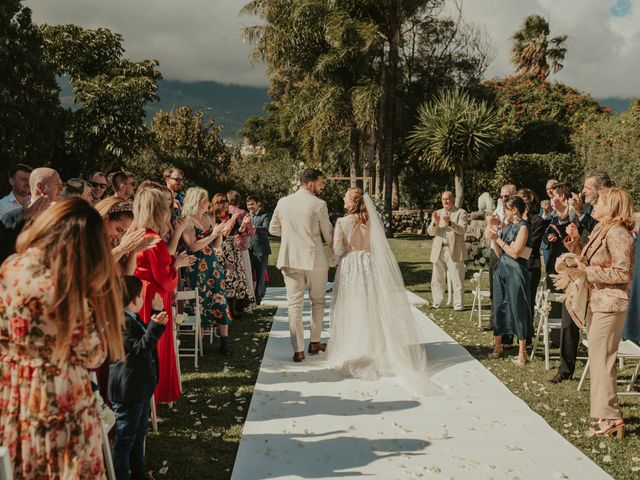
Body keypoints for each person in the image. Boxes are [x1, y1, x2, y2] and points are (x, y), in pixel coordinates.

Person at [0, 199, 125, 479]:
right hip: (58, 400)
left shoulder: (11, 267)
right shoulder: (65, 293)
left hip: (14, 391)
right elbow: (93, 353)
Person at [328, 188, 428, 387]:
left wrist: (330, 261)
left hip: (352, 265)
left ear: (352, 202)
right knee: (373, 304)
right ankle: (378, 348)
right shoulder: (372, 220)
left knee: (353, 305)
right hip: (370, 263)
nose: (343, 199)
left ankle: (356, 348)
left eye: (346, 197)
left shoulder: (342, 222)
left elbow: (337, 251)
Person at [563, 187, 634, 438]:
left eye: (600, 201)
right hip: (597, 301)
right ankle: (605, 415)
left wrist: (587, 272)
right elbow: (591, 260)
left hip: (611, 303)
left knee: (603, 360)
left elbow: (624, 273)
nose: (594, 204)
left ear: (612, 206)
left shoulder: (618, 233)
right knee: (598, 359)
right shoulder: (600, 228)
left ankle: (611, 417)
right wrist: (576, 245)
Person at [549, 171, 613, 385]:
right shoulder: (584, 209)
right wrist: (573, 241)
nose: (583, 191)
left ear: (600, 189)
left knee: (596, 328)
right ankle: (565, 369)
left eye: (587, 188)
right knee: (569, 320)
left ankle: (601, 372)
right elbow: (582, 238)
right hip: (580, 273)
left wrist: (580, 215)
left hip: (600, 277)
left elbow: (601, 234)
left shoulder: (608, 210)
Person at [132, 188, 194, 404]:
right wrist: (176, 265)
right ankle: (156, 395)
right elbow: (166, 278)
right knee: (156, 346)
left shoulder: (139, 234)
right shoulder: (155, 240)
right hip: (155, 298)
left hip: (139, 294)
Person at [269, 168, 334, 362]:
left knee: (294, 305)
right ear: (311, 183)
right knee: (318, 302)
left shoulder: (283, 202)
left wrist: (291, 234)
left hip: (290, 258)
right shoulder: (319, 204)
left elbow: (273, 228)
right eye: (321, 182)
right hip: (314, 259)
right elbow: (328, 234)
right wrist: (339, 251)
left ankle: (298, 351)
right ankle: (314, 342)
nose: (323, 186)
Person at [110, 276, 168, 480]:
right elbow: (139, 348)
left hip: (140, 388)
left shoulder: (131, 318)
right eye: (141, 296)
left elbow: (143, 339)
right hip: (128, 391)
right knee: (125, 440)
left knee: (138, 436)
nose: (142, 299)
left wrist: (155, 315)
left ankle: (139, 474)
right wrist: (155, 325)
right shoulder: (120, 321)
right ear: (133, 299)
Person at [181, 187, 233, 355]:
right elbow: (193, 246)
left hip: (213, 264)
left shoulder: (209, 217)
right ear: (196, 201)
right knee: (200, 301)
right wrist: (213, 234)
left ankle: (225, 342)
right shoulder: (187, 221)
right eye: (205, 199)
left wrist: (220, 233)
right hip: (196, 266)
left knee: (220, 298)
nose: (208, 202)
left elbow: (216, 246)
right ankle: (200, 342)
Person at [486, 196, 532, 366]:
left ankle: (522, 351)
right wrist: (494, 238)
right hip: (501, 271)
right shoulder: (507, 228)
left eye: (506, 208)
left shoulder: (523, 227)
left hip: (516, 272)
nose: (503, 211)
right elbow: (500, 254)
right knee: (499, 307)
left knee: (517, 308)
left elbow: (516, 252)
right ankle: (497, 346)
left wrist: (497, 239)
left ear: (514, 210)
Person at [211, 193, 255, 318]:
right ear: (215, 203)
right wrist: (233, 219)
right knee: (225, 277)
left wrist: (243, 224)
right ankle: (223, 308)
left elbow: (238, 232)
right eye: (221, 202)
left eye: (226, 201)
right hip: (221, 249)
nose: (225, 204)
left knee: (236, 277)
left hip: (232, 249)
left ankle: (234, 308)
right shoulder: (214, 217)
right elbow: (224, 233)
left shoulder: (231, 216)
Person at [486, 184, 517, 346]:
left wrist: (500, 226)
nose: (504, 199)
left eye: (507, 196)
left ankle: (508, 333)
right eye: (502, 196)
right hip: (495, 252)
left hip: (510, 255)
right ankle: (495, 322)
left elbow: (514, 231)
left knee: (508, 295)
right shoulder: (497, 211)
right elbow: (489, 232)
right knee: (495, 291)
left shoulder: (516, 213)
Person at [518, 188, 550, 347]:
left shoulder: (537, 221)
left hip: (530, 266)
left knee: (527, 302)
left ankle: (527, 338)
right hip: (514, 264)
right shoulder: (512, 220)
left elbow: (532, 244)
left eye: (522, 201)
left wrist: (514, 250)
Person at [428, 191, 468, 311]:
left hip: (454, 249)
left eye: (447, 199)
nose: (445, 201)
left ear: (453, 199)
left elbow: (462, 230)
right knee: (437, 278)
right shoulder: (438, 213)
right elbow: (430, 232)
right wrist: (435, 222)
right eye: (443, 199)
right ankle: (437, 302)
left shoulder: (461, 213)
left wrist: (450, 223)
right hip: (438, 249)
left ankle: (458, 305)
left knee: (457, 278)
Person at [227, 190, 256, 313]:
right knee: (245, 274)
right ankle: (246, 304)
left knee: (231, 274)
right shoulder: (243, 213)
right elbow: (250, 231)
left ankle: (230, 304)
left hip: (227, 247)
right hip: (241, 247)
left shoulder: (225, 212)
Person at [247, 194, 271, 305]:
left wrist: (254, 228)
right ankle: (248, 298)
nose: (250, 206)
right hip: (248, 250)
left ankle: (258, 299)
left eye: (252, 204)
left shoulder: (265, 215)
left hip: (261, 251)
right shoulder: (246, 216)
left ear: (258, 204)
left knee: (260, 277)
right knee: (248, 275)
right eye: (248, 204)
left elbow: (266, 229)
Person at [540, 179, 557, 267]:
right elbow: (540, 224)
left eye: (552, 188)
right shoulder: (544, 204)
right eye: (547, 189)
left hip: (559, 243)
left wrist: (551, 210)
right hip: (547, 244)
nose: (549, 191)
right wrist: (545, 213)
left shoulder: (563, 202)